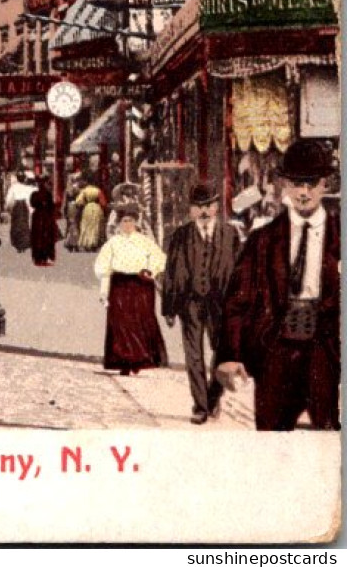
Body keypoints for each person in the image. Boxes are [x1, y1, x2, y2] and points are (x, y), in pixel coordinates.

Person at [217, 139, 341, 431]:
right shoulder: (263, 240)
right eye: (297, 183)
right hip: (275, 352)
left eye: (312, 183)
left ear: (325, 184)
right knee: (270, 437)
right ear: (285, 185)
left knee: (329, 441)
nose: (304, 192)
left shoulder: (340, 237)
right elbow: (238, 299)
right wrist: (230, 355)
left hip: (325, 352)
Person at [161, 182, 242, 424]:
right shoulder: (181, 235)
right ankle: (200, 407)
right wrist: (169, 308)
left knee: (221, 351)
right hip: (190, 302)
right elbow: (171, 272)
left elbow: (239, 272)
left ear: (217, 207)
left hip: (221, 303)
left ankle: (212, 397)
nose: (204, 211)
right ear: (191, 210)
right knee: (193, 354)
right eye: (199, 207)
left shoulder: (230, 234)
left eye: (208, 206)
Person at [93, 204, 168, 376]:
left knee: (139, 321)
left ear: (136, 223)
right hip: (119, 285)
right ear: (119, 224)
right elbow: (103, 266)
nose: (127, 225)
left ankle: (139, 359)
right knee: (121, 323)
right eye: (124, 221)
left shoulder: (144, 242)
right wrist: (104, 291)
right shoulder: (113, 243)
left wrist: (151, 270)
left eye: (131, 221)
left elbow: (160, 259)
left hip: (141, 285)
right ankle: (123, 360)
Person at [29, 177, 59, 267]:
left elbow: (32, 203)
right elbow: (52, 206)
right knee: (46, 237)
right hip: (46, 218)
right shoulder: (48, 194)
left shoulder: (35, 194)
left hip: (37, 218)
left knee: (37, 237)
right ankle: (44, 257)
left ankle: (38, 258)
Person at [76, 182, 108, 252]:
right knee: (96, 226)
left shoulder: (84, 191)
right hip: (97, 208)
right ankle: (94, 243)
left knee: (87, 226)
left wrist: (85, 203)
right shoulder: (98, 190)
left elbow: (78, 201)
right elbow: (103, 203)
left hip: (87, 208)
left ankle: (87, 243)